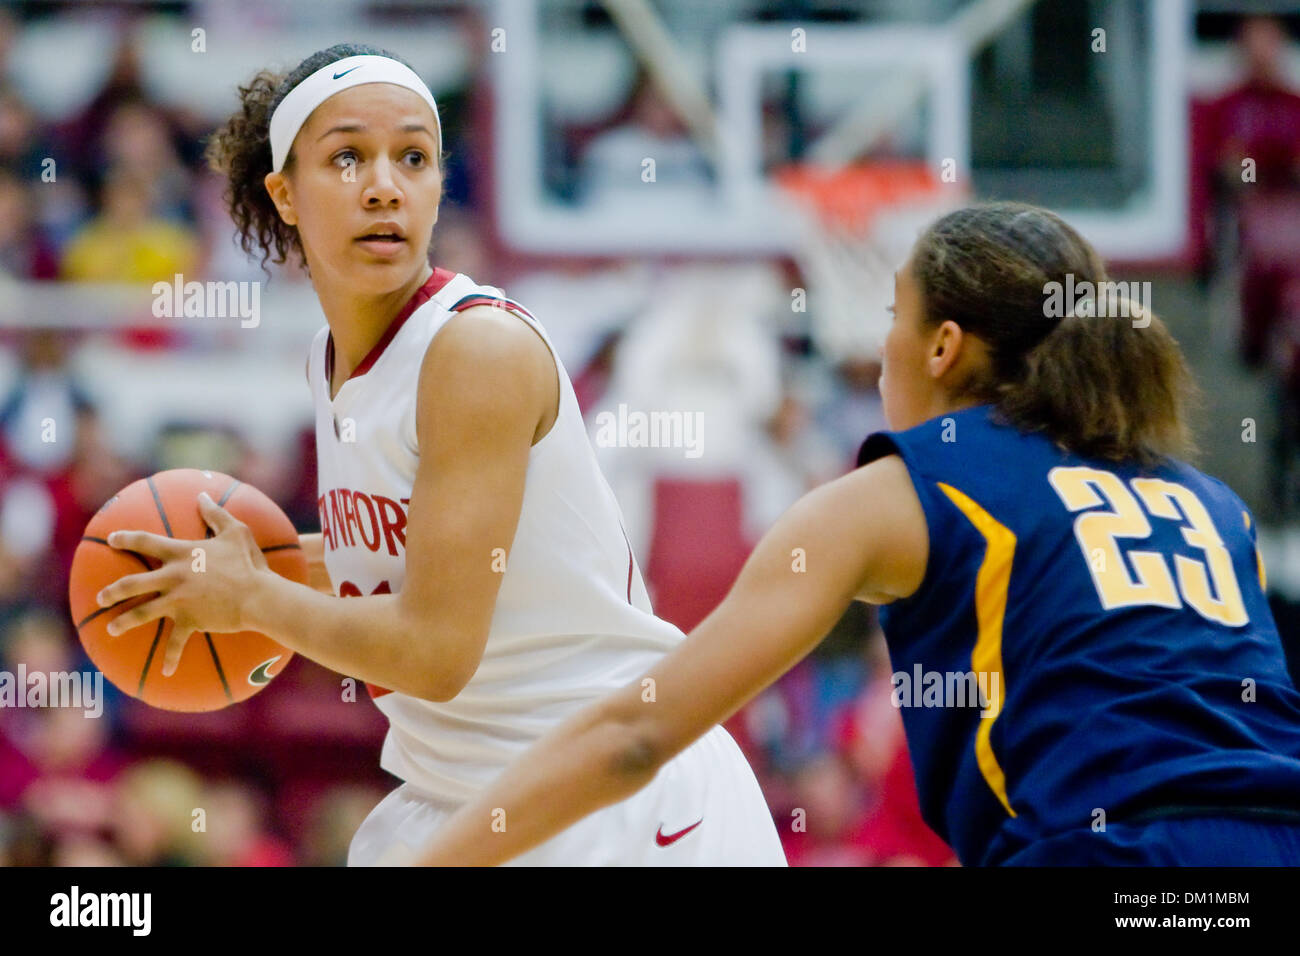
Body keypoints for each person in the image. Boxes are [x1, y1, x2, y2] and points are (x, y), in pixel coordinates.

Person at [412, 202, 1300, 866]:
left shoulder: (902, 489)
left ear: (943, 347)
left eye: (892, 322)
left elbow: (639, 734)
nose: (879, 356)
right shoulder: (1214, 507)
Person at [93, 43, 784, 866]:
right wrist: (236, 568)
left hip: (617, 801)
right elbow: (401, 559)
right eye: (347, 156)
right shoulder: (329, 358)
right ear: (282, 192)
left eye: (412, 157)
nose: (384, 183)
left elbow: (434, 650)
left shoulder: (475, 351)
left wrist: (252, 602)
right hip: (473, 791)